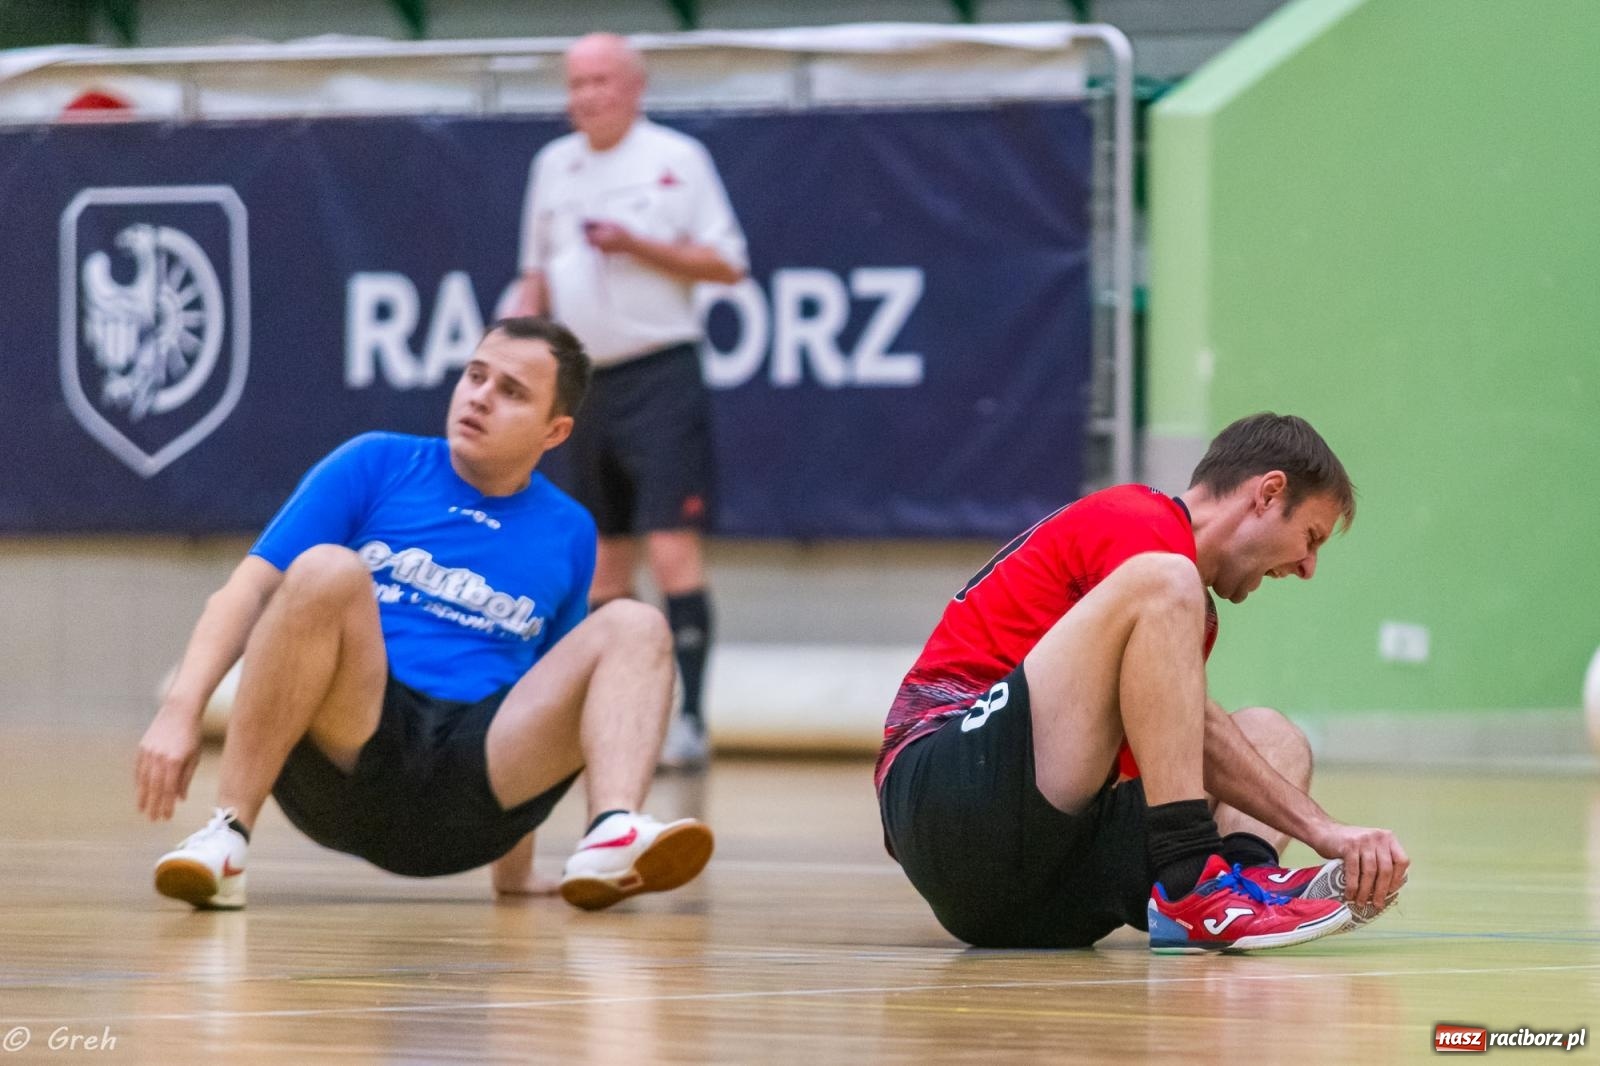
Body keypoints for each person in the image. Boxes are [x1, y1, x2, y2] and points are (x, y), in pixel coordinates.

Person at [135, 317, 713, 911]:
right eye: (475, 376)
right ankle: (228, 836)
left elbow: (544, 686)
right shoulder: (376, 462)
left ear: (555, 430)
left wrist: (514, 874)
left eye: (512, 391)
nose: (480, 397)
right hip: (350, 752)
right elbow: (245, 592)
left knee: (636, 623)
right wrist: (181, 712)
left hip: (478, 793)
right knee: (327, 568)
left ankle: (610, 834)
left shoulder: (570, 529)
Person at [875, 413, 1410, 952]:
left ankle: (1242, 884)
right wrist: (1321, 828)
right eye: (1310, 538)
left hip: (1041, 879)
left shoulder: (1183, 605)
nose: (1307, 567)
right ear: (1268, 494)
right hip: (945, 801)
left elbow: (1176, 743)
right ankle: (1191, 882)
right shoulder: (1139, 526)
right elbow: (1199, 729)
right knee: (1168, 582)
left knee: (1275, 737)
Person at [510, 32, 748, 772]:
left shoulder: (677, 159)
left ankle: (691, 720)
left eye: (601, 81)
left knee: (672, 548)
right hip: (584, 382)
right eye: (576, 82)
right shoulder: (552, 166)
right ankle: (611, 717)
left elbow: (727, 264)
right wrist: (516, 340)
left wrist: (638, 245)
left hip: (660, 376)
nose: (586, 96)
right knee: (603, 561)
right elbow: (535, 276)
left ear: (635, 87)